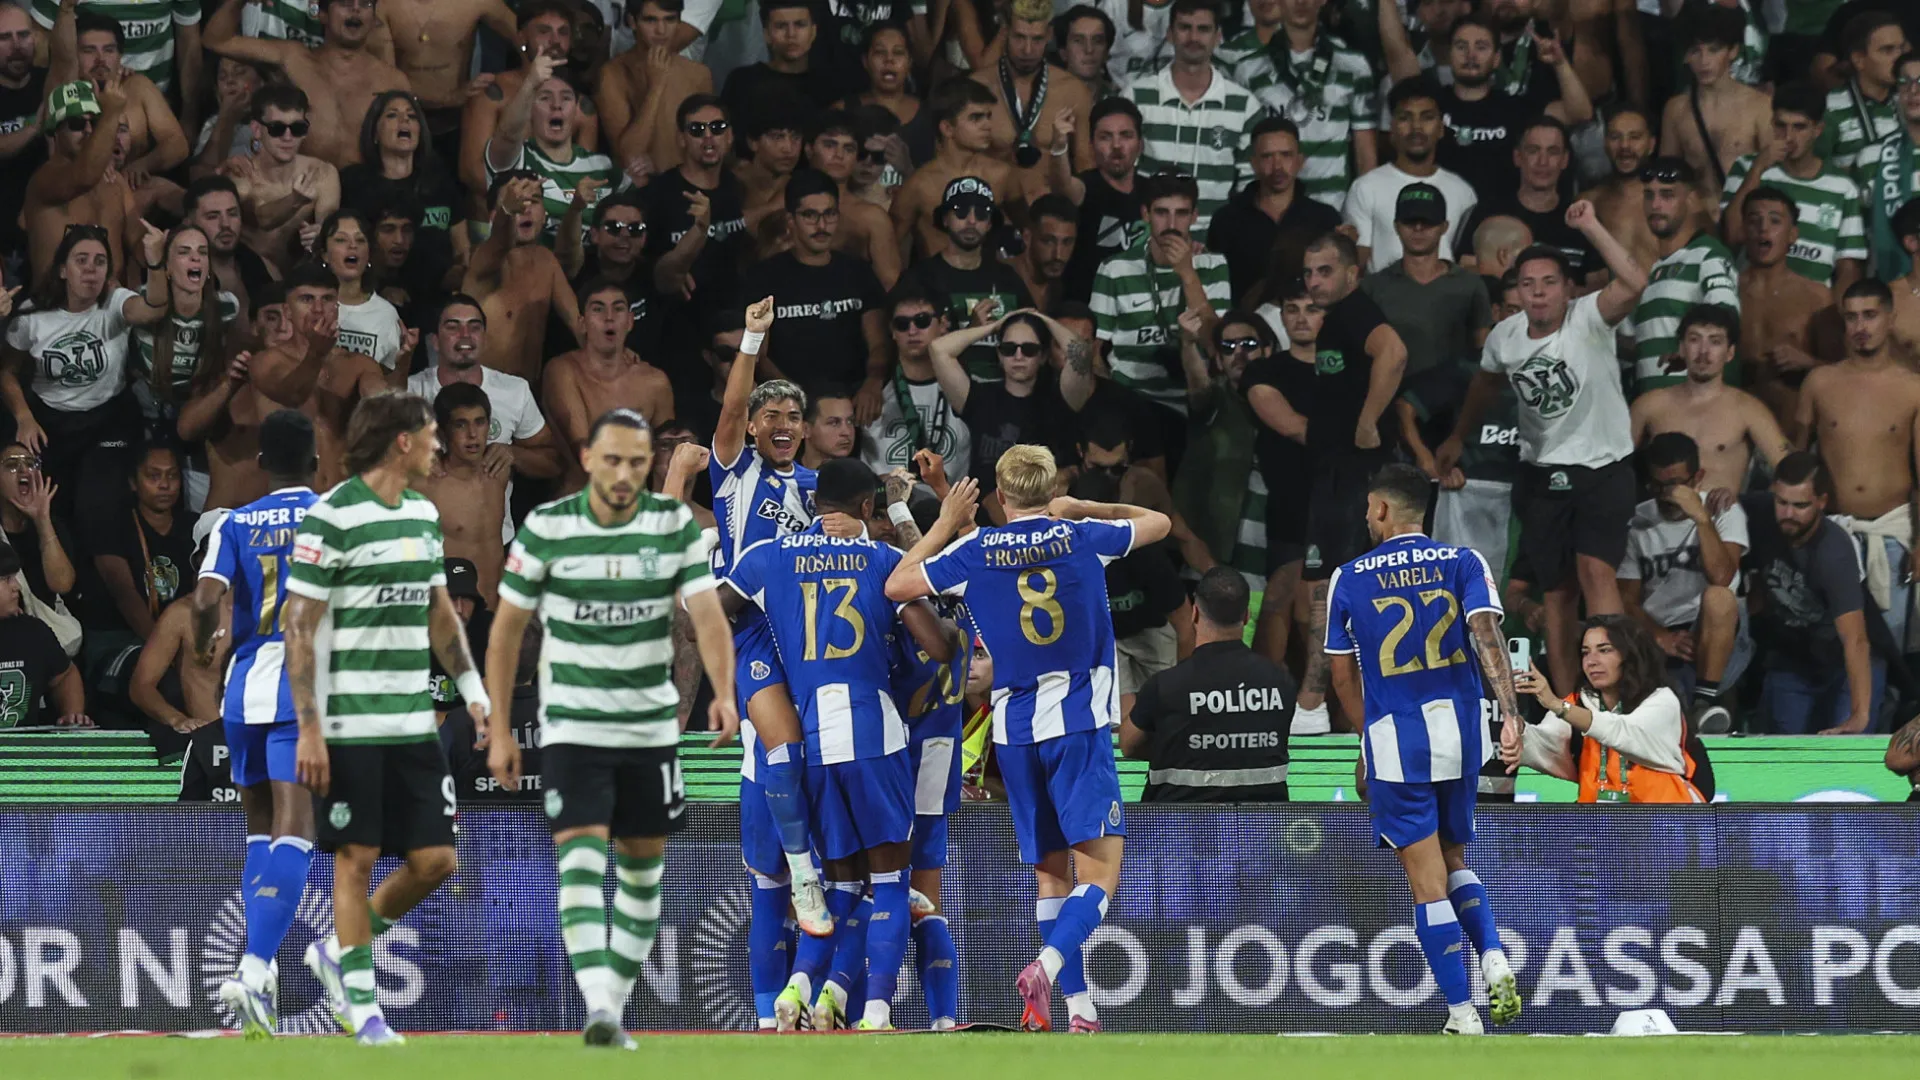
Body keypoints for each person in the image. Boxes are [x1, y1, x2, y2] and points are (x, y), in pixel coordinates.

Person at [886, 446, 1171, 1034]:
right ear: (1052, 487)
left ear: (999, 492)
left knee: (1050, 875)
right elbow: (1159, 523)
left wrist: (942, 522)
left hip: (1015, 732)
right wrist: (1085, 505)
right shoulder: (1081, 536)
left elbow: (898, 584)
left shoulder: (974, 550)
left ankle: (1077, 1009)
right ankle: (1046, 964)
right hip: (1079, 725)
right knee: (1101, 877)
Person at [484, 406, 738, 1048]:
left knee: (642, 868)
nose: (625, 473)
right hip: (573, 724)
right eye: (614, 459)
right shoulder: (547, 526)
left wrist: (724, 693)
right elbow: (507, 630)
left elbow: (707, 617)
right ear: (590, 460)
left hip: (650, 726)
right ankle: (599, 1004)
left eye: (637, 461)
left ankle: (612, 1004)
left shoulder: (671, 524)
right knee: (580, 855)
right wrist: (500, 727)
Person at [726, 457, 958, 1032]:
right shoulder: (883, 561)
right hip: (875, 737)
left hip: (812, 748)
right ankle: (874, 1011)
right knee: (888, 885)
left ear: (816, 503)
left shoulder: (767, 558)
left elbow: (709, 610)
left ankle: (806, 987)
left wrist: (752, 680)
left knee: (843, 883)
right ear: (866, 508)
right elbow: (940, 644)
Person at [285, 392, 488, 1047]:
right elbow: (299, 627)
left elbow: (437, 611)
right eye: (431, 434)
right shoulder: (332, 517)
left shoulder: (424, 516)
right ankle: (366, 1011)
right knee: (358, 856)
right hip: (348, 721)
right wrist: (309, 726)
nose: (439, 444)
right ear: (401, 440)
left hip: (413, 721)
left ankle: (341, 951)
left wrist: (472, 688)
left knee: (436, 861)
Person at [1322, 463, 1522, 1034]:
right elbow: (1488, 635)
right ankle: (1492, 954)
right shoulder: (1465, 562)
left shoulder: (1350, 577)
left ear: (1383, 509)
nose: (1366, 516)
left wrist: (1368, 740)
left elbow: (1341, 679)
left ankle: (1463, 1012)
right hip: (1463, 735)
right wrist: (1510, 715)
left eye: (1368, 507)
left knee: (1425, 881)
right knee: (1455, 857)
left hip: (1398, 739)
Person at [1438, 205, 1649, 697]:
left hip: (1603, 467)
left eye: (1549, 282)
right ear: (1516, 292)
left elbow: (1636, 280)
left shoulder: (1589, 319)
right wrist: (1457, 437)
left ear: (1568, 289)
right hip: (1542, 473)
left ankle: (1615, 695)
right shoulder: (1505, 338)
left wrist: (1592, 225)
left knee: (1595, 571)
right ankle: (1568, 700)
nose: (1538, 292)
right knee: (1555, 592)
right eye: (1528, 283)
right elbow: (1484, 387)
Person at [709, 297, 833, 964]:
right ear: (752, 427)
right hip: (751, 632)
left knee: (803, 759)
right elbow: (726, 412)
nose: (783, 425)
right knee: (781, 747)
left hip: (812, 637)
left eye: (794, 418)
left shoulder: (820, 488)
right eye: (771, 417)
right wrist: (754, 334)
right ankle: (802, 871)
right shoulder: (735, 474)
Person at [191, 409, 320, 1039]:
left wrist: (199, 644)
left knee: (259, 829)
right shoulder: (332, 517)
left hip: (243, 688)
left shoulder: (233, 522)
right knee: (299, 826)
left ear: (262, 463)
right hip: (303, 685)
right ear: (316, 461)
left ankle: (258, 986)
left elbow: (205, 598)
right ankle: (253, 967)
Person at [1285, 232, 1409, 736]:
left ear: (1351, 274)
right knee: (1351, 587)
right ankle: (1351, 711)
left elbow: (1394, 353)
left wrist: (1367, 419)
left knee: (1325, 586)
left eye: (1325, 271)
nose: (1314, 281)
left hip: (1354, 474)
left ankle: (1312, 707)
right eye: (1309, 273)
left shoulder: (1356, 311)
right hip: (1345, 472)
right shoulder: (1338, 319)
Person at [4, 223, 167, 526]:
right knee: (53, 507)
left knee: (97, 503)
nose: (91, 269)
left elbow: (154, 310)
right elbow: (7, 372)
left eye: (100, 261)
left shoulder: (116, 302)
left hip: (109, 422)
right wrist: (24, 417)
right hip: (50, 422)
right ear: (63, 270)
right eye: (81, 260)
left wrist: (156, 263)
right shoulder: (33, 315)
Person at [1797, 279, 1920, 659]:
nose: (1861, 327)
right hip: (1835, 534)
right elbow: (1797, 464)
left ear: (1890, 318)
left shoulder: (1913, 387)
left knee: (1896, 659)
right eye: (1851, 318)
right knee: (1835, 656)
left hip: (1894, 535)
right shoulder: (1819, 382)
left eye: (1870, 315)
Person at [1119, 566, 1293, 801]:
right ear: (1246, 616)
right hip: (1260, 830)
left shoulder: (1166, 685)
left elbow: (1128, 745)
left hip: (1175, 829)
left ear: (1195, 614)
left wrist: (1182, 751)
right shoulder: (1281, 683)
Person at [1619, 432, 1749, 734]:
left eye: (1674, 485)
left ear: (1696, 478)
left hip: (1717, 629)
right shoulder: (1637, 522)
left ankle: (1704, 700)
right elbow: (1626, 599)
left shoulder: (1722, 510)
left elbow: (1722, 577)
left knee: (1719, 596)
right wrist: (1660, 636)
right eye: (1658, 485)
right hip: (1659, 629)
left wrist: (1702, 519)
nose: (1666, 494)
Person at [1741, 452, 1880, 735]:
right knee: (1785, 753)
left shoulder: (1834, 551)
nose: (1788, 514)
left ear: (1822, 502)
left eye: (1800, 505)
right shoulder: (1758, 512)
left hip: (1846, 663)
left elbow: (1855, 639)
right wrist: (1719, 496)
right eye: (1781, 502)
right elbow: (1723, 504)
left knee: (1847, 746)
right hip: (1792, 659)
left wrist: (1859, 715)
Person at [1511, 615, 1707, 802]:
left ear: (1629, 654)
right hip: (1600, 824)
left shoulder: (1662, 701)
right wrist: (1518, 732)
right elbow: (1546, 742)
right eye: (1585, 652)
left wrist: (1556, 705)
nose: (1591, 661)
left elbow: (1621, 731)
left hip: (1665, 822)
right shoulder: (1578, 702)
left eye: (1604, 650)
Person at [203, 0, 412, 169]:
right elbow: (216, 40)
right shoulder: (292, 59)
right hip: (300, 198)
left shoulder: (393, 81)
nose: (356, 8)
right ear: (322, 15)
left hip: (369, 201)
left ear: (374, 19)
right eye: (345, 2)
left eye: (365, 4)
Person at [1362, 184, 1493, 451]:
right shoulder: (1373, 288)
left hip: (1453, 417)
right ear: (1397, 225)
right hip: (1389, 415)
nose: (1419, 229)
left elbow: (1484, 357)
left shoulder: (1470, 286)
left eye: (1428, 222)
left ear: (1444, 226)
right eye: (1411, 221)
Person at [1090, 172, 1229, 424]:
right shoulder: (1115, 269)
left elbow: (1214, 345)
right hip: (1131, 400)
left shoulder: (1213, 265)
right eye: (1162, 212)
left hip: (1194, 400)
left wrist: (1187, 273)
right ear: (1145, 214)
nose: (1172, 224)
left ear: (1195, 216)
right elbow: (1094, 350)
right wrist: (1108, 402)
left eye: (1182, 213)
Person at [740, 171, 888, 406]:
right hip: (789, 403)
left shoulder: (859, 272)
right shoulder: (764, 277)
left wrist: (873, 383)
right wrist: (797, 399)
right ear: (791, 220)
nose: (821, 225)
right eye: (810, 215)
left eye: (829, 214)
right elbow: (759, 354)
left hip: (853, 403)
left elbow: (879, 343)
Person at [928, 307, 1092, 517]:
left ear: (1042, 356)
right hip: (986, 518)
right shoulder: (979, 398)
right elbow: (938, 348)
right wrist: (996, 326)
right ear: (999, 354)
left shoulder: (1060, 400)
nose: (1018, 356)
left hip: (1046, 514)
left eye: (1029, 349)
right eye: (1008, 348)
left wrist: (1042, 318)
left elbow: (1082, 353)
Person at [1119, 0, 1259, 245]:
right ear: (1170, 34)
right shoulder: (1135, 98)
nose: (1193, 37)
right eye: (1185, 27)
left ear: (1218, 36)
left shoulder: (1245, 106)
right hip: (1147, 243)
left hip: (1217, 246)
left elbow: (1249, 188)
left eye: (1203, 29)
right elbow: (1122, 177)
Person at [1232, 0, 1378, 209]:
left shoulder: (1354, 66)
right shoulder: (1248, 70)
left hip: (1334, 208)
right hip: (1270, 210)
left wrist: (1366, 213)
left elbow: (1365, 153)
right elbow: (1246, 152)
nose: (1301, 2)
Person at [1720, 83, 1867, 292]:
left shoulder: (1842, 187)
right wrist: (1759, 168)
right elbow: (1733, 234)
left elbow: (1848, 266)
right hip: (1753, 303)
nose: (1788, 137)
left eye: (1799, 127)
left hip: (1813, 311)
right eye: (1781, 126)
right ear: (1771, 123)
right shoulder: (1747, 168)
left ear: (1818, 130)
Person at [1630, 304, 1789, 494]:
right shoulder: (1649, 405)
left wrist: (1754, 507)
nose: (1703, 351)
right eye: (1694, 339)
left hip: (1722, 518)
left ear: (1730, 353)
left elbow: (1789, 471)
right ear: (1682, 347)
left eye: (1715, 341)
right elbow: (1614, 470)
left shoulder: (1748, 409)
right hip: (1663, 516)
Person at [1428, 15, 1593, 198]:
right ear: (1449, 54)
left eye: (1481, 47)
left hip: (1502, 218)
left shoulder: (1516, 107)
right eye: (1461, 46)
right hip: (1436, 216)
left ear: (1496, 58)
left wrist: (1560, 63)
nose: (1471, 55)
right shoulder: (1429, 106)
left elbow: (1580, 113)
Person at [405, 294, 562, 486]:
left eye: (474, 327)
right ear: (435, 341)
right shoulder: (409, 391)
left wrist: (514, 454)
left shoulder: (515, 390)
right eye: (453, 327)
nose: (465, 334)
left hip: (493, 514)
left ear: (485, 339)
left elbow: (553, 462)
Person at [483, 52, 624, 246]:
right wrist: (530, 84)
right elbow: (508, 135)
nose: (556, 106)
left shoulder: (602, 165)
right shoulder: (517, 159)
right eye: (544, 98)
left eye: (566, 98)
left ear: (576, 109)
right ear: (530, 108)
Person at [456, 0, 588, 207]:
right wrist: (520, 202)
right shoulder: (492, 94)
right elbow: (472, 173)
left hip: (555, 223)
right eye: (544, 31)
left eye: (563, 32)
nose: (555, 40)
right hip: (492, 219)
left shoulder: (582, 106)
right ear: (521, 36)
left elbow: (583, 178)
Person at [340, 91, 470, 296]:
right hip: (374, 298)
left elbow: (462, 248)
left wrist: (459, 276)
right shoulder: (353, 183)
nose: (404, 120)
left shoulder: (440, 180)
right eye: (392, 115)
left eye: (412, 116)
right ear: (374, 133)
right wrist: (377, 291)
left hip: (438, 296)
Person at [903, 175, 1033, 381]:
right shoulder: (920, 277)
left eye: (981, 214)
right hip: (944, 395)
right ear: (945, 219)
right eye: (961, 211)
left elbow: (1032, 336)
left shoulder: (1008, 279)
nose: (972, 220)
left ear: (990, 223)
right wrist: (971, 331)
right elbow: (913, 352)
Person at [1628, 157, 1741, 393]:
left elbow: (1727, 316)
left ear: (1691, 199)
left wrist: (1691, 354)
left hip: (1692, 406)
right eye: (1649, 195)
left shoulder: (1708, 256)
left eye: (1667, 195)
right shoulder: (1655, 270)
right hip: (1650, 407)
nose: (1656, 205)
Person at [1737, 188, 1840, 442]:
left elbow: (1844, 373)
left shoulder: (1816, 297)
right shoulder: (1725, 291)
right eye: (1754, 220)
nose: (1763, 229)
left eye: (1774, 221)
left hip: (1793, 436)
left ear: (1792, 234)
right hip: (1732, 436)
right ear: (1743, 231)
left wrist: (1808, 363)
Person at [1346, 76, 1477, 273]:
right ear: (1391, 128)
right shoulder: (1365, 188)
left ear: (1441, 128)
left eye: (1427, 117)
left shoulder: (1463, 192)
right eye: (1405, 118)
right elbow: (1358, 264)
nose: (1416, 127)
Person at [1205, 116, 1341, 305]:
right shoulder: (1226, 220)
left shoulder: (1324, 218)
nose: (1277, 166)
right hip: (1244, 326)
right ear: (1253, 163)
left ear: (1299, 160)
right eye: (1267, 156)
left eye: (1286, 155)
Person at [462, 174, 582, 384]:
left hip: (528, 397)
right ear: (494, 216)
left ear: (544, 214)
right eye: (516, 201)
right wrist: (507, 211)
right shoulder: (483, 258)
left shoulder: (547, 261)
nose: (524, 208)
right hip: (484, 394)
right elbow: (500, 242)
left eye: (533, 201)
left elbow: (579, 325)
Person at [972, 0, 1092, 202]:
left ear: (1049, 35)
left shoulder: (1073, 91)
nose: (1027, 50)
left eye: (1037, 39)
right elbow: (958, 162)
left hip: (1051, 214)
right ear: (1005, 32)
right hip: (993, 212)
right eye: (1019, 37)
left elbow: (1085, 165)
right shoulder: (977, 88)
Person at [1460, 118, 1603, 286]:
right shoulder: (1488, 214)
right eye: (1533, 150)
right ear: (1518, 157)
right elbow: (1466, 272)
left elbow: (1598, 287)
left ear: (1565, 160)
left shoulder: (1581, 219)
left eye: (1553, 152)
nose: (1543, 161)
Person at [891, 78, 1022, 260]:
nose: (987, 126)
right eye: (976, 118)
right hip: (937, 284)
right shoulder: (919, 186)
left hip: (989, 282)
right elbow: (890, 250)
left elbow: (1028, 232)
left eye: (988, 116)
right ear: (947, 128)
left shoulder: (1002, 174)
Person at [23, 77, 130, 287]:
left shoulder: (113, 182)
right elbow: (84, 177)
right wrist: (112, 112)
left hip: (109, 307)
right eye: (77, 123)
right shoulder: (44, 180)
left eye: (94, 122)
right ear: (55, 130)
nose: (89, 130)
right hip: (55, 311)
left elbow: (138, 239)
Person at [409, 384, 509, 604]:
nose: (472, 434)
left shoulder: (498, 471)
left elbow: (550, 461)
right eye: (460, 425)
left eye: (480, 422)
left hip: (496, 608)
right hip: (453, 612)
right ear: (443, 433)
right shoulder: (425, 481)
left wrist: (514, 452)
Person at [226, 85, 341, 274]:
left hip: (304, 278)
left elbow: (330, 223)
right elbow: (261, 217)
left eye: (297, 128)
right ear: (256, 129)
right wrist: (294, 200)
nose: (288, 137)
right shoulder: (240, 175)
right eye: (277, 128)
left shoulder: (323, 173)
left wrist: (321, 234)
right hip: (251, 277)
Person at [862, 285, 971, 483]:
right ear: (892, 332)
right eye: (902, 324)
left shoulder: (965, 389)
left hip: (953, 506)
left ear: (943, 324)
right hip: (883, 509)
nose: (912, 330)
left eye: (922, 321)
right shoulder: (870, 393)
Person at [1659, 4, 1771, 188]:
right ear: (1686, 56)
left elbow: (1772, 175)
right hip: (1694, 213)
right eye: (1696, 51)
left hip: (1742, 212)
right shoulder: (1675, 109)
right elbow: (1667, 178)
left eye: (1714, 50)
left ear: (1733, 51)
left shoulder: (1760, 107)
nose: (1704, 61)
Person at [1052, 96, 1146, 304]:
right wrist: (1059, 147)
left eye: (1126, 135)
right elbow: (1063, 188)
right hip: (1087, 307)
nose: (1116, 145)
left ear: (1140, 144)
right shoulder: (1085, 187)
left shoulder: (1152, 193)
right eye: (1105, 137)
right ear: (1091, 145)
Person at [801, 111, 903, 289]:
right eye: (830, 145)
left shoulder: (872, 218)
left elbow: (891, 286)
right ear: (809, 149)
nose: (839, 155)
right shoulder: (781, 206)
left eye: (849, 149)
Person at [1815, 11, 1908, 177]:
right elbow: (1817, 176)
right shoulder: (1829, 110)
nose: (1899, 58)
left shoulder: (1912, 101)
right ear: (1859, 60)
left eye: (1901, 49)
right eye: (1887, 50)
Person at [0, 544, 83, 727]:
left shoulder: (32, 632)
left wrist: (72, 715)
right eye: (6, 579)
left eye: (15, 577)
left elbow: (65, 675)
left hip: (22, 752)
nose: (17, 586)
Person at [1856, 49, 1920, 282]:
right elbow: (1861, 237)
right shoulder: (1871, 156)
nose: (1913, 90)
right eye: (1904, 82)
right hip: (1890, 290)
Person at [1578, 105, 1661, 272]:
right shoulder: (1588, 202)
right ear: (1605, 143)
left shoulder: (1677, 201)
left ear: (1651, 144)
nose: (1624, 146)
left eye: (1635, 137)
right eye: (1615, 137)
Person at [0, 443, 76, 608]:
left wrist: (42, 521)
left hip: (44, 624)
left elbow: (62, 585)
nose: (24, 470)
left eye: (31, 464)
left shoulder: (52, 524)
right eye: (12, 465)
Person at [1005, 195, 1076, 315]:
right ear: (1027, 237)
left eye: (1067, 242)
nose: (1058, 255)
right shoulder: (1001, 278)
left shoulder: (1062, 287)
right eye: (1048, 241)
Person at [798, 390, 857, 472]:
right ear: (805, 429)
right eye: (834, 423)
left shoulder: (865, 480)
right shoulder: (783, 480)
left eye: (850, 421)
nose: (847, 432)